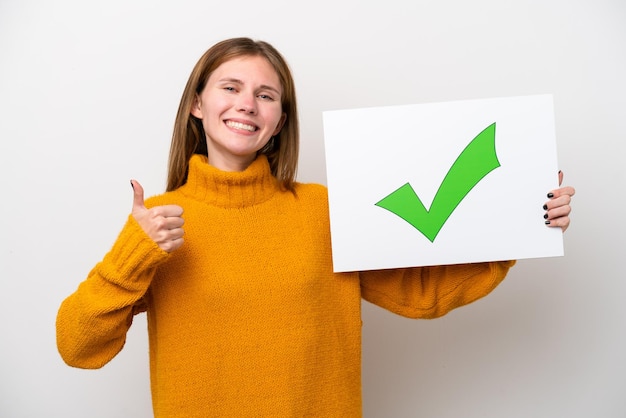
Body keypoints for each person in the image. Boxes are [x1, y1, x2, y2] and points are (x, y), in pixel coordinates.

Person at [56, 37, 575, 417]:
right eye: (231, 87)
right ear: (197, 104)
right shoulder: (160, 225)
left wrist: (521, 222)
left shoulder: (324, 210)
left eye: (266, 95)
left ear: (279, 120)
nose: (246, 103)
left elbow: (423, 293)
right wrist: (131, 256)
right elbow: (78, 347)